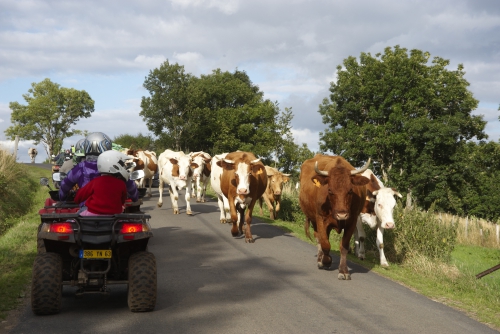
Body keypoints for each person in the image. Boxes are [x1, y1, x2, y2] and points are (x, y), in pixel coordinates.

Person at [59, 132, 139, 206]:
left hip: (86, 209)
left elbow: (65, 184)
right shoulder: (115, 166)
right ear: (107, 146)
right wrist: (135, 197)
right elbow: (130, 185)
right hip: (113, 211)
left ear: (86, 146)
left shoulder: (80, 167)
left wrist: (62, 197)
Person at [74, 150, 131, 216]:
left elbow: (79, 196)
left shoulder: (95, 181)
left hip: (92, 214)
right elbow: (122, 201)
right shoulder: (121, 184)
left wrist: (76, 200)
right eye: (122, 164)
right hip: (114, 216)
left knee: (72, 222)